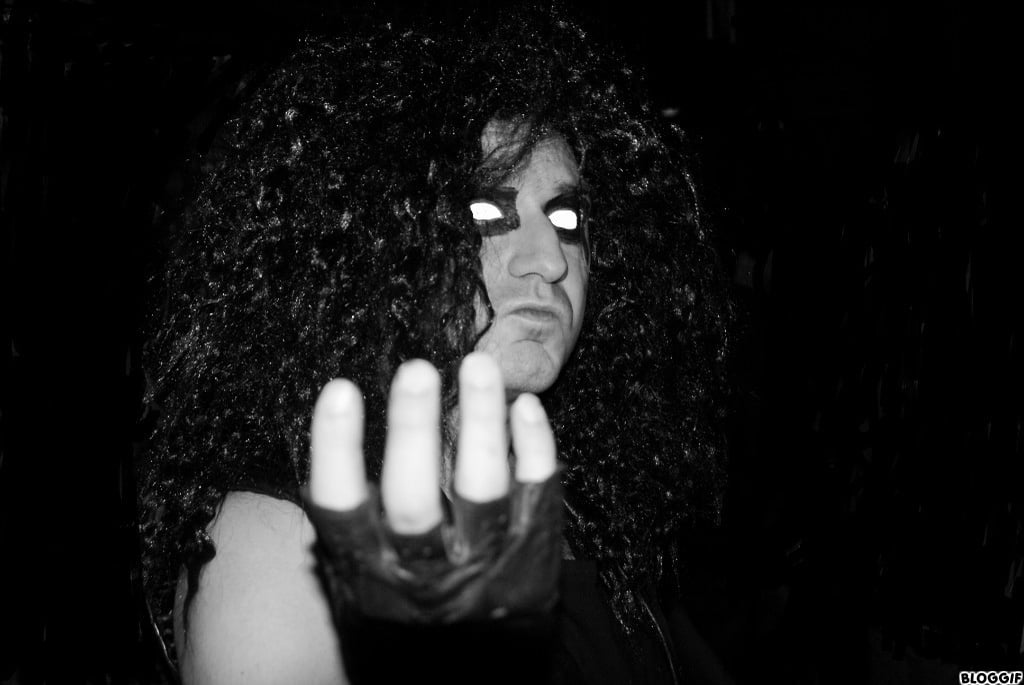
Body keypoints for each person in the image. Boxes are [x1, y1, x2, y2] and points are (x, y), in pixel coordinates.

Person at [140, 6, 734, 684]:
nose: (548, 260)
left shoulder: (595, 520)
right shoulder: (280, 538)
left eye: (567, 217)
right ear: (382, 239)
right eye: (486, 211)